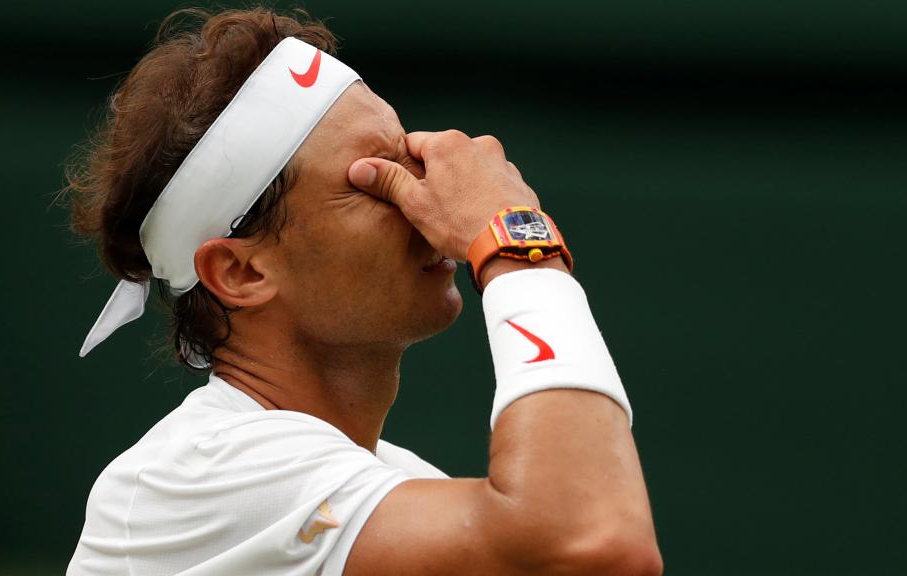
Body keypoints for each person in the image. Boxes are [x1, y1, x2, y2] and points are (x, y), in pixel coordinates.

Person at [64, 6, 662, 575]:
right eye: (375, 179)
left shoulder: (385, 478)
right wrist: (515, 240)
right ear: (241, 273)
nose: (424, 197)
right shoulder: (205, 470)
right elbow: (591, 541)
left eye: (409, 160)